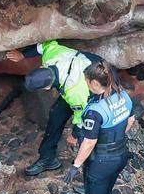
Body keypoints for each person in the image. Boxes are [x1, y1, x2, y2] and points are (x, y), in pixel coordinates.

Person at [66, 61, 135, 194]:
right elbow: (130, 121)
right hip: (120, 155)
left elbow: (89, 142)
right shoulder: (124, 96)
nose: (86, 84)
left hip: (101, 162)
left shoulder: (95, 110)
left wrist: (75, 165)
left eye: (87, 81)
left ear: (95, 83)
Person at [7, 40, 101, 177]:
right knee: (56, 114)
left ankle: (92, 169)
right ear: (41, 68)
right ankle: (48, 158)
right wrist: (23, 55)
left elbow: (82, 113)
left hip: (96, 80)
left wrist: (74, 134)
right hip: (75, 75)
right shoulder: (50, 56)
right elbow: (44, 45)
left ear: (46, 87)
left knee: (88, 130)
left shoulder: (74, 90)